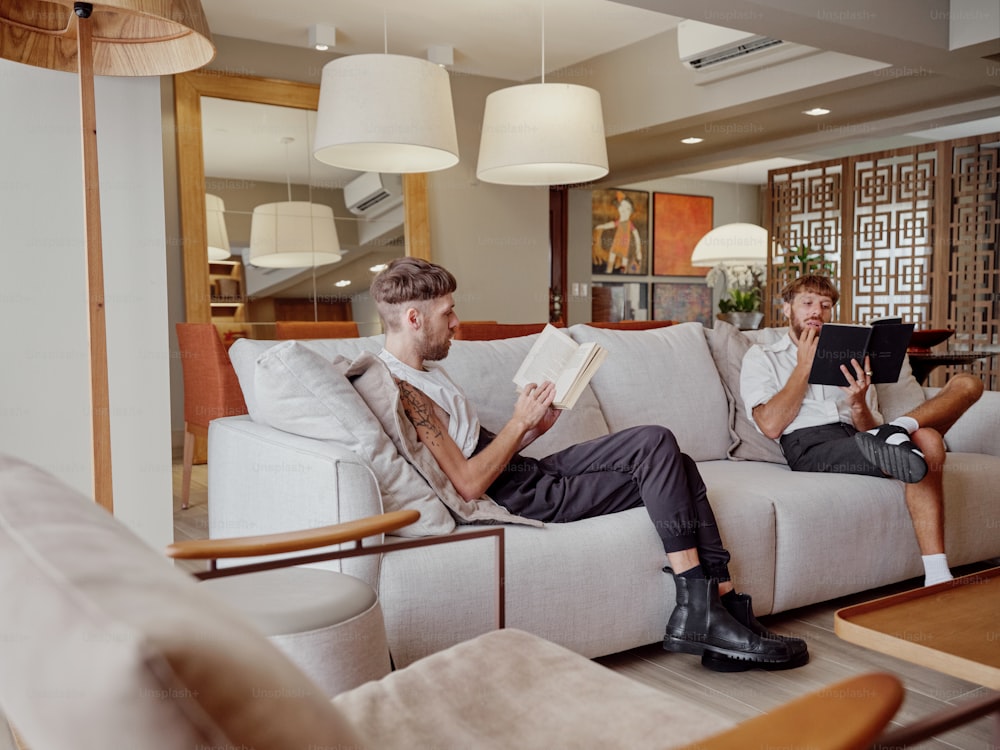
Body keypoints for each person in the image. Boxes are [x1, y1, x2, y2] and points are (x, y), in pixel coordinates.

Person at [369, 257, 808, 672]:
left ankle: (725, 611)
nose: (455, 322)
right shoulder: (404, 390)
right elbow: (466, 484)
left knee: (678, 463)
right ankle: (697, 606)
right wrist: (518, 421)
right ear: (414, 319)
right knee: (655, 442)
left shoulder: (427, 372)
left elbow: (477, 449)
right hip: (515, 496)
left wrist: (534, 427)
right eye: (447, 313)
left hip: (525, 472)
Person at [741, 274, 984, 587]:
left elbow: (870, 429)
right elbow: (771, 425)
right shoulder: (763, 356)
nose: (817, 310)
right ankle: (937, 573)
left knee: (966, 385)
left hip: (861, 437)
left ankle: (902, 428)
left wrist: (858, 403)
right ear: (787, 309)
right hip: (811, 445)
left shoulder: (852, 355)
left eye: (825, 305)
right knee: (928, 440)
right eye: (808, 303)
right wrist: (804, 366)